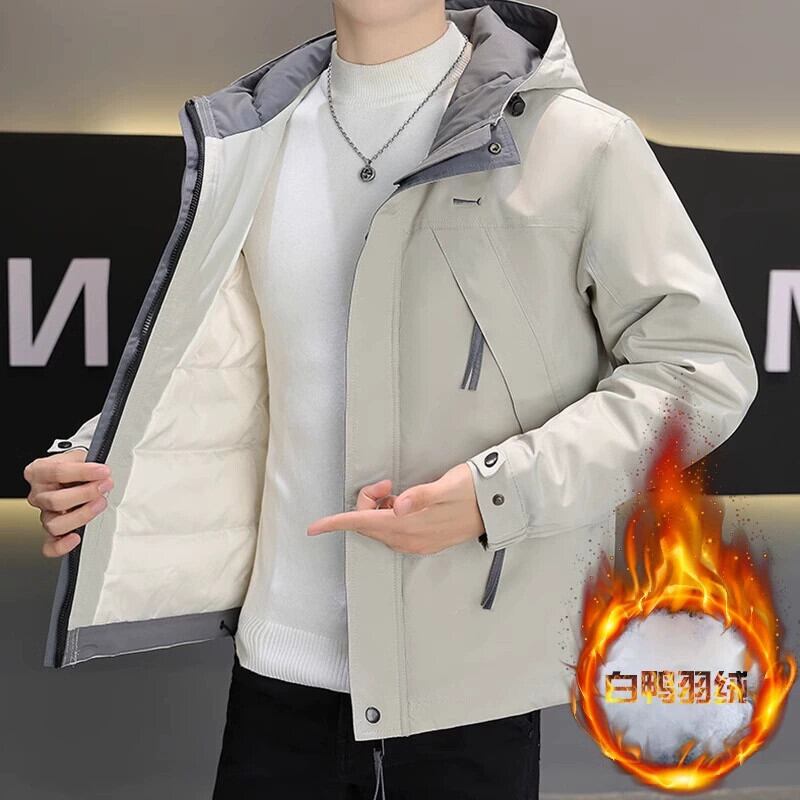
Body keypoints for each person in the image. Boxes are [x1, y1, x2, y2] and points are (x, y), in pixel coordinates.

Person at [23, 1, 758, 798]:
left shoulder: (576, 142)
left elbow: (699, 368)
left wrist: (498, 493)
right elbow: (229, 365)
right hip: (273, 682)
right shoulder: (252, 140)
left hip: (466, 692)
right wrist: (95, 460)